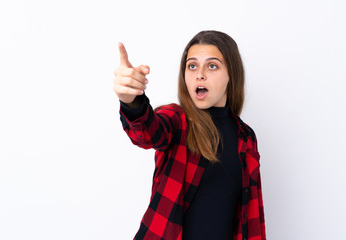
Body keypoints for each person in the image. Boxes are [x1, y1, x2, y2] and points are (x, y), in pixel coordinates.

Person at [114, 30, 266, 240]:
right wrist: (132, 102)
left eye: (212, 66)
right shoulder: (177, 119)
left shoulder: (246, 136)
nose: (199, 74)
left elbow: (251, 216)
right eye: (192, 65)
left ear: (232, 74)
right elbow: (149, 132)